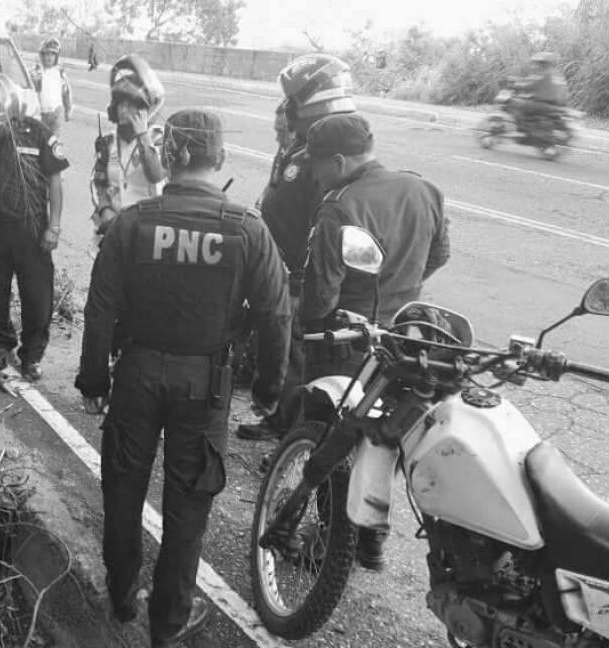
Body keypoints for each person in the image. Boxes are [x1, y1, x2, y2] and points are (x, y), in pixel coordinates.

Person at [75, 110, 291, 647]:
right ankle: (167, 623)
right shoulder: (247, 229)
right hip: (205, 386)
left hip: (136, 377)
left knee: (123, 491)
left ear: (168, 157)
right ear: (218, 158)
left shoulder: (132, 223)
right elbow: (275, 315)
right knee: (187, 508)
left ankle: (123, 596)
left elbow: (100, 308)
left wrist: (93, 381)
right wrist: (268, 389)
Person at [298, 112, 450, 569]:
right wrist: (401, 289)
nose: (315, 175)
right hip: (404, 337)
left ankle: (329, 543)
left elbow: (321, 294)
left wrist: (304, 325)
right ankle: (371, 540)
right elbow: (440, 254)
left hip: (347, 340)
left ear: (340, 160)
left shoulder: (339, 207)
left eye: (318, 165)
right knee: (382, 437)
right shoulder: (423, 189)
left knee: (330, 439)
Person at [237, 53, 358, 442]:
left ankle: (286, 430)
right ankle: (277, 418)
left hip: (294, 273)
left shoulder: (317, 161)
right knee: (278, 347)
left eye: (291, 104)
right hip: (275, 264)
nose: (285, 114)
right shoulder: (297, 150)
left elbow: (318, 223)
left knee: (292, 353)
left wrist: (298, 274)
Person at [0, 72, 68, 381]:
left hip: (32, 230)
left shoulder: (38, 135)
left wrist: (54, 227)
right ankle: (0, 348)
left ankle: (31, 356)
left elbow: (56, 183)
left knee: (37, 297)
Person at [90, 53, 166, 244]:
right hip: (113, 229)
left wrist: (142, 136)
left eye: (131, 105)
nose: (124, 111)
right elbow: (98, 182)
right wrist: (104, 208)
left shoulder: (159, 139)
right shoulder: (107, 143)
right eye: (121, 104)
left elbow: (156, 175)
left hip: (148, 232)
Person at [509, 51, 569, 130]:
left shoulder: (544, 74)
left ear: (544, 63)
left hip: (544, 105)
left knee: (513, 102)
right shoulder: (559, 75)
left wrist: (515, 84)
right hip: (558, 106)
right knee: (527, 100)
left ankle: (518, 129)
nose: (536, 65)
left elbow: (528, 85)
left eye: (538, 63)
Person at [33, 37, 72, 135]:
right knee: (42, 141)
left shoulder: (60, 72)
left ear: (56, 56)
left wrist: (68, 109)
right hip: (41, 113)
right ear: (42, 55)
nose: (49, 57)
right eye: (47, 54)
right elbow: (34, 92)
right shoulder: (38, 71)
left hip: (56, 112)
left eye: (53, 54)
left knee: (54, 142)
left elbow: (66, 92)